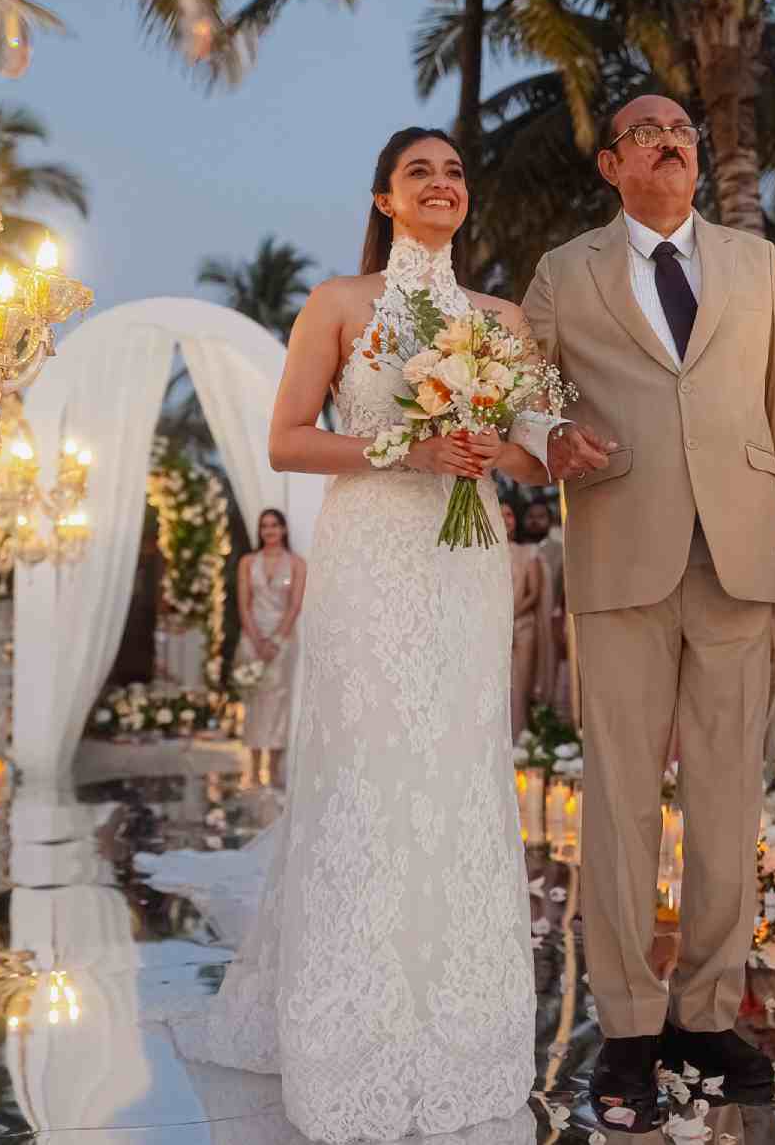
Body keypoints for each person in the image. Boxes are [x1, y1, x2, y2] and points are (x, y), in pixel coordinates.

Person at [165, 128, 544, 1144]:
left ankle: (460, 1022)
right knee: (368, 770)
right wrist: (403, 445)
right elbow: (289, 436)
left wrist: (495, 448)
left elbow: (523, 448)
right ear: (384, 197)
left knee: (458, 769)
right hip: (374, 556)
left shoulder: (501, 319)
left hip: (465, 562)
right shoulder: (339, 303)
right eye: (419, 171)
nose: (441, 184)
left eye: (455, 171)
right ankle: (351, 1025)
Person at [515, 93, 775, 1128]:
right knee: (617, 803)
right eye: (649, 134)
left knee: (728, 800)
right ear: (612, 164)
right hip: (620, 558)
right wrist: (545, 439)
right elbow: (525, 389)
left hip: (743, 562)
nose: (672, 144)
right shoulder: (567, 272)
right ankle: (626, 1027)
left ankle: (705, 1012)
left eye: (685, 134)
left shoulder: (752, 263)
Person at [235, 508, 307, 790]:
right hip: (251, 638)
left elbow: (295, 606)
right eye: (264, 526)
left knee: (278, 702)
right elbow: (244, 604)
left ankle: (274, 769)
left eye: (275, 525)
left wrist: (275, 641)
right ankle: (253, 768)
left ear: (284, 529)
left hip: (284, 641)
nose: (270, 531)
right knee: (253, 701)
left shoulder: (297, 563)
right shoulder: (247, 562)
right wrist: (256, 640)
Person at [501, 500, 551, 741]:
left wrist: (511, 615)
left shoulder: (528, 552)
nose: (505, 519)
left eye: (509, 514)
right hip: (494, 629)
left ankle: (520, 743)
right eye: (499, 513)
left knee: (520, 686)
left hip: (523, 626)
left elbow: (534, 592)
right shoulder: (479, 553)